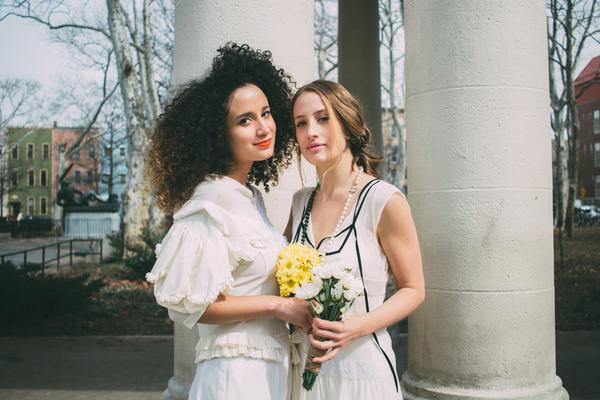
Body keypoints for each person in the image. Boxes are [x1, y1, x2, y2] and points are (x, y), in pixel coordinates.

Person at [145, 43, 312, 400]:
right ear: (219, 134)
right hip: (235, 374)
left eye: (265, 113)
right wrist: (278, 306)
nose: (263, 127)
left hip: (270, 367)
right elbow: (196, 304)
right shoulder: (210, 200)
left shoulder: (251, 198)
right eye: (244, 120)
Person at [286, 80, 425, 399]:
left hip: (364, 374)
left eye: (323, 118)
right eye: (301, 123)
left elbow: (414, 289)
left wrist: (355, 326)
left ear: (347, 124)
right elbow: (282, 282)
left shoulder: (383, 200)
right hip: (307, 376)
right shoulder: (299, 203)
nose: (311, 132)